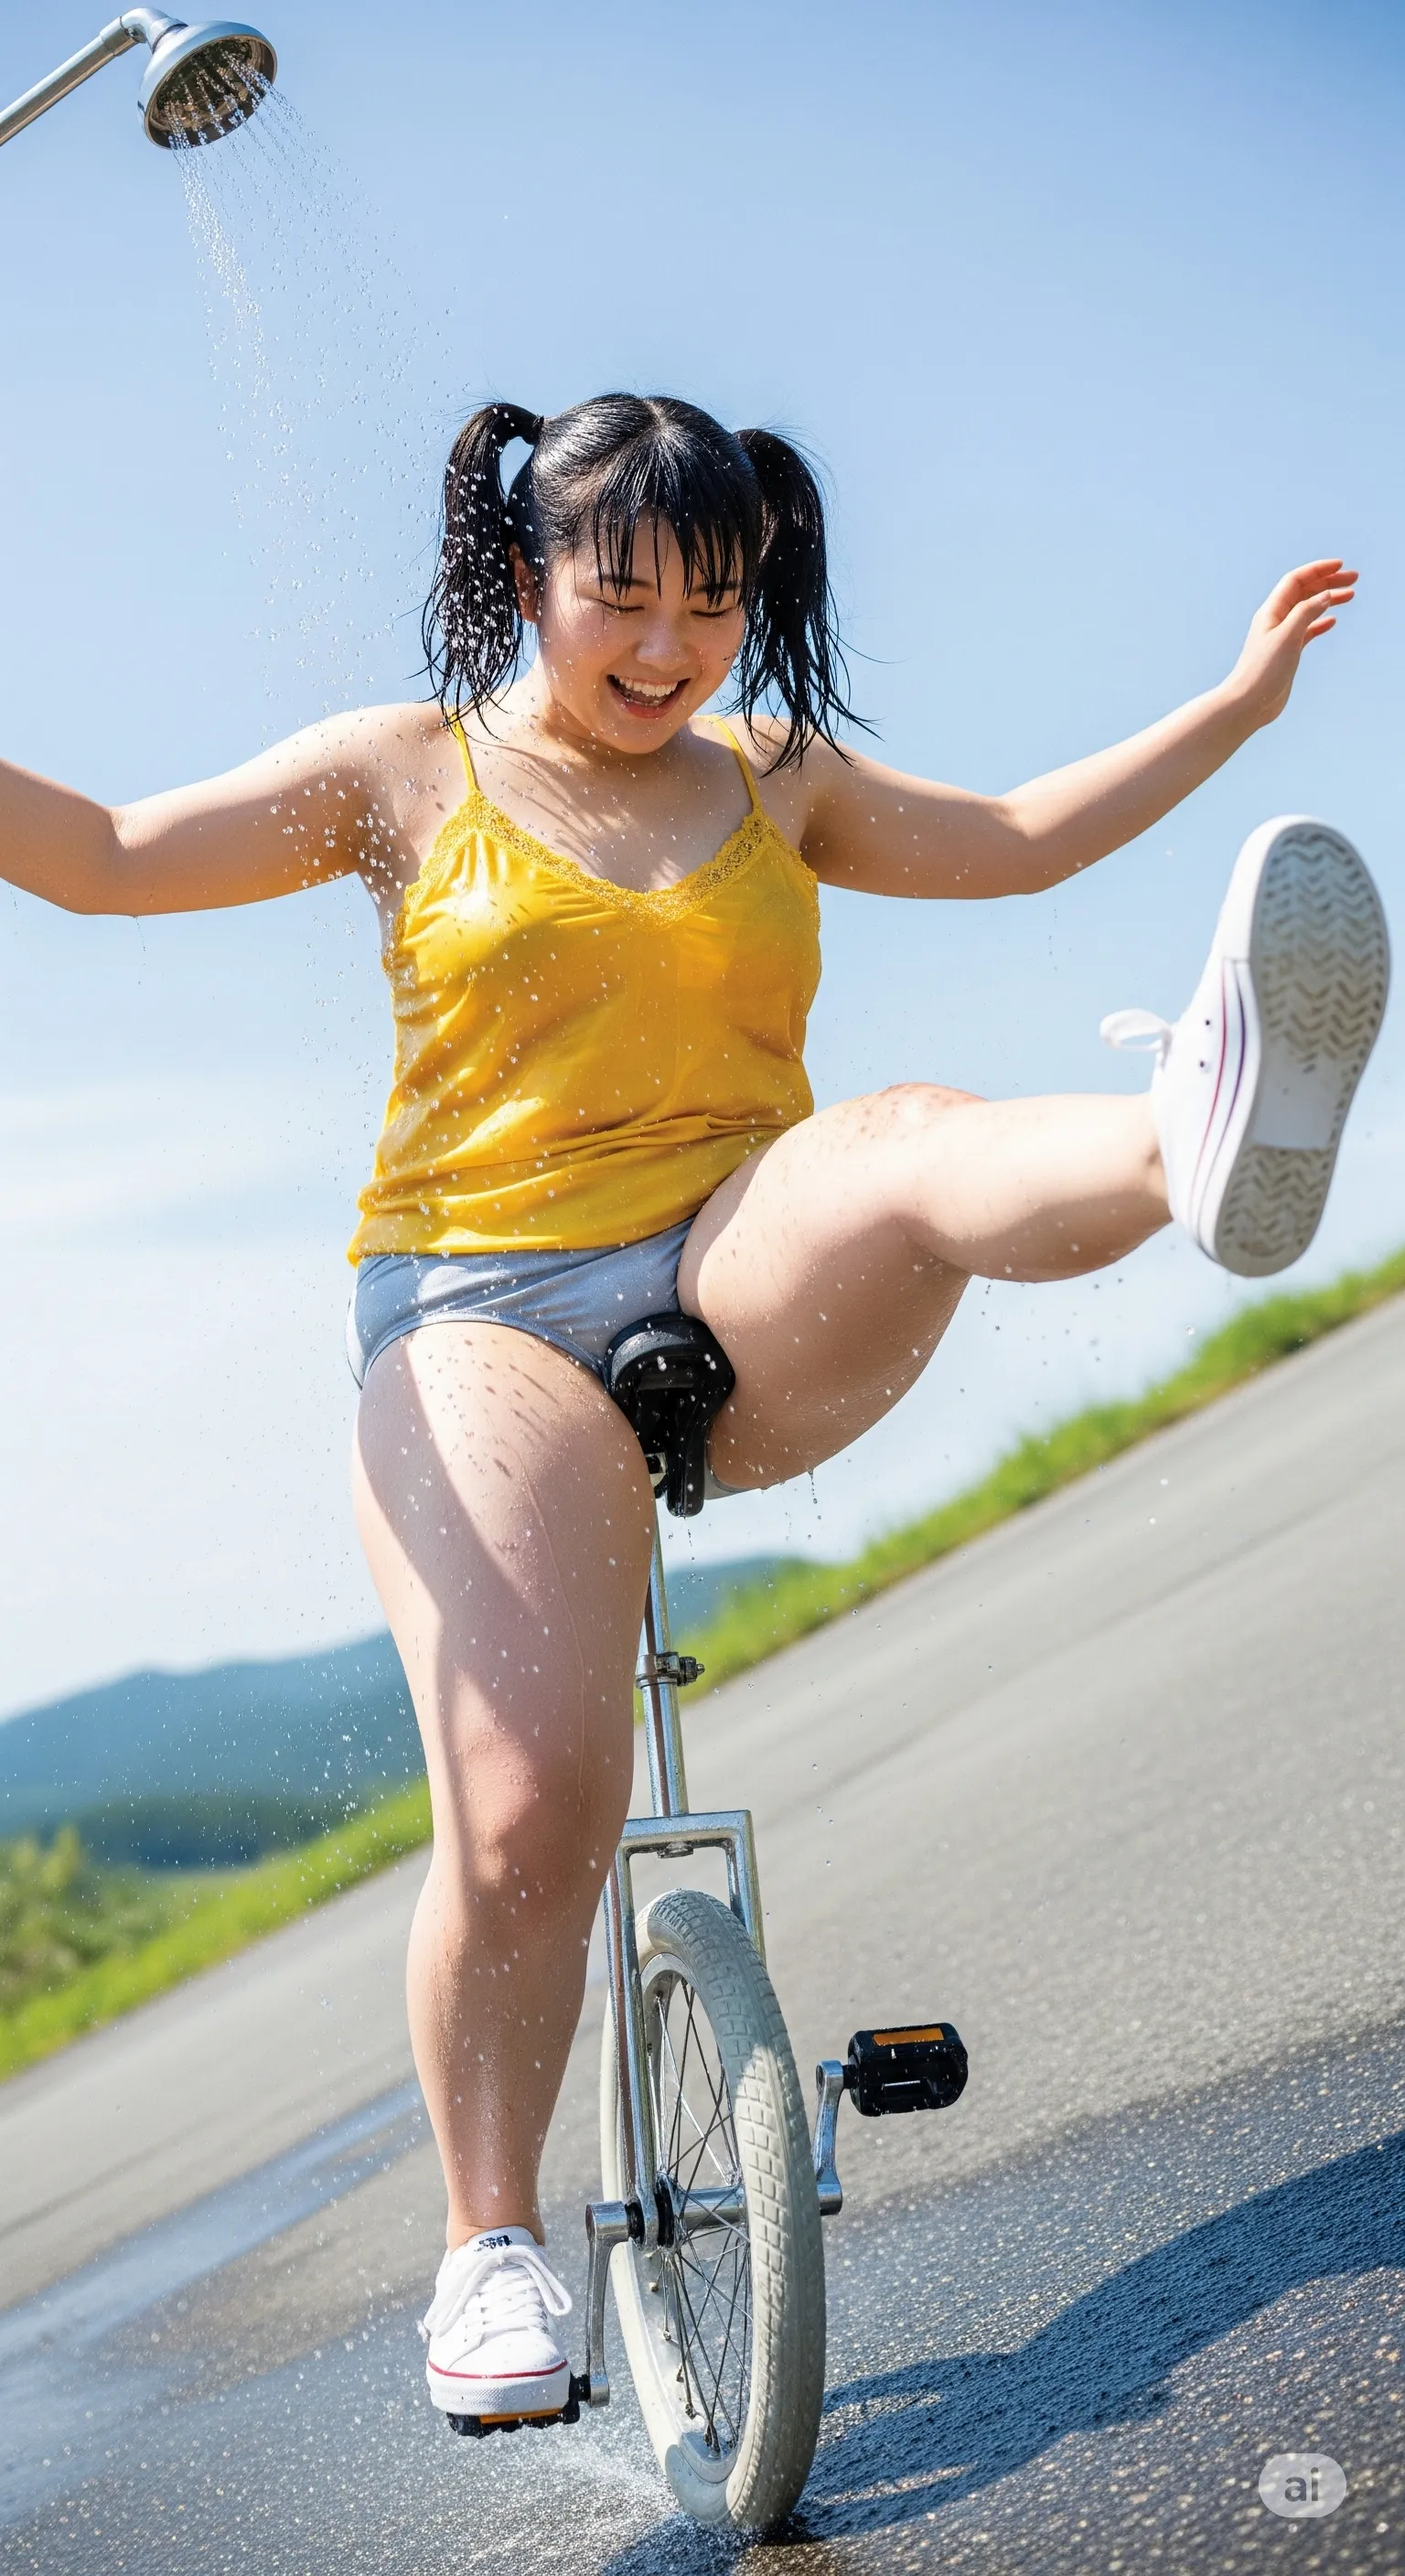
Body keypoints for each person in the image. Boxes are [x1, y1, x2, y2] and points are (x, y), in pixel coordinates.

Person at [3, 393, 1387, 2424]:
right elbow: (111, 862)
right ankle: (490, 2244)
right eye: (622, 595)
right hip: (478, 1307)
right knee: (529, 1807)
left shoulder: (776, 780)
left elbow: (1016, 842)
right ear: (524, 575)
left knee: (907, 1133)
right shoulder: (404, 773)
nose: (667, 647)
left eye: (714, 604)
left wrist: (1242, 706)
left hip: (741, 1253)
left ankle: (1200, 1134)